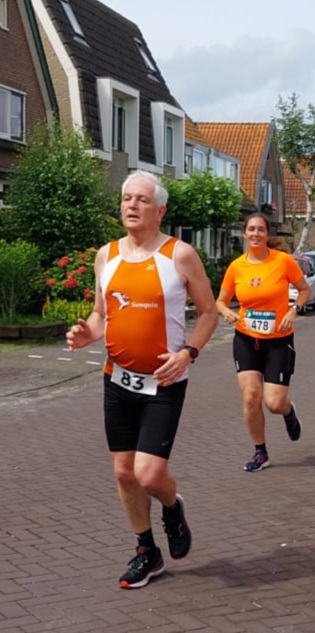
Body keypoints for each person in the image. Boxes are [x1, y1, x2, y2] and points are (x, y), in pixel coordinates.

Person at [66, 170, 218, 589]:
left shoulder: (180, 255)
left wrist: (188, 353)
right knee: (123, 473)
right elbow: (102, 314)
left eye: (142, 200)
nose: (131, 205)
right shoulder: (107, 255)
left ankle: (172, 505)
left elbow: (209, 313)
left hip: (164, 382)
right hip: (117, 379)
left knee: (149, 475)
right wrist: (87, 333)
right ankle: (146, 551)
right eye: (126, 198)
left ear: (160, 210)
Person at [216, 213, 310, 472]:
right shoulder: (236, 267)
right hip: (246, 338)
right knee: (250, 397)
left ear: (267, 234)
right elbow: (220, 300)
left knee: (274, 403)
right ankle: (260, 452)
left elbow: (304, 290)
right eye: (251, 229)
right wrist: (225, 311)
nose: (255, 234)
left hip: (278, 341)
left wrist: (294, 310)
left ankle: (288, 412)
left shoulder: (283, 261)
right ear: (244, 233)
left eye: (260, 230)